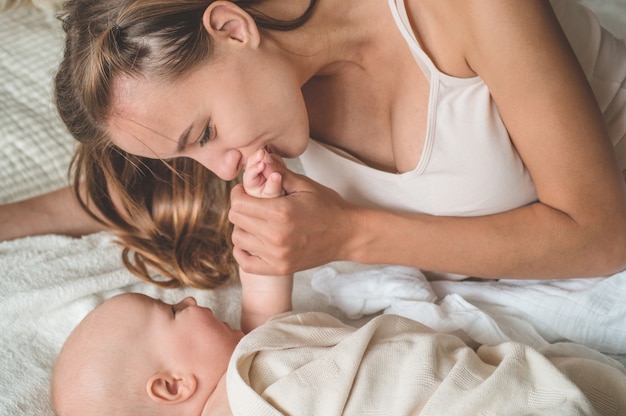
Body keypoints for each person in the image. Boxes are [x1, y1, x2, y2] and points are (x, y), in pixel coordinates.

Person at [1, 0, 626, 288]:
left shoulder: (466, 9)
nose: (219, 169)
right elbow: (111, 196)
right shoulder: (257, 115)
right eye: (187, 154)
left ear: (230, 27)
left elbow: (602, 237)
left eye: (205, 135)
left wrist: (350, 235)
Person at [51, 291, 626, 416]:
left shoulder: (255, 377)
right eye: (171, 311)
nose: (192, 297)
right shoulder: (256, 367)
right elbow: (265, 334)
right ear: (173, 385)